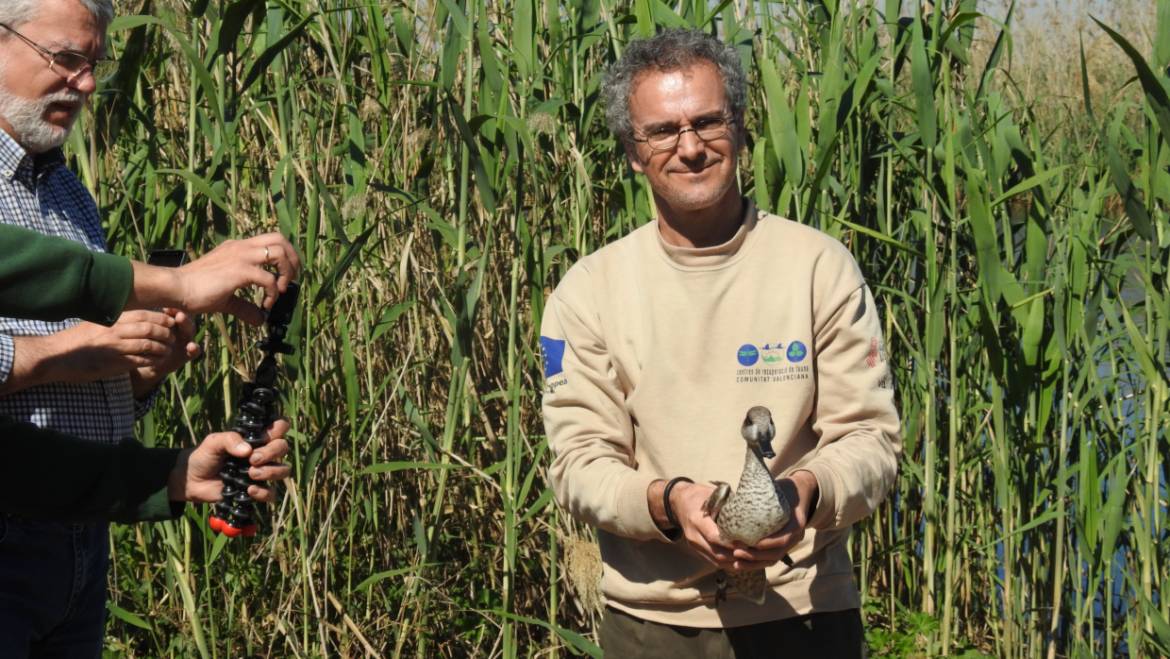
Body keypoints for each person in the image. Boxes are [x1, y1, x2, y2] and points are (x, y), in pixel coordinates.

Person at [540, 29, 901, 657]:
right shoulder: (588, 292)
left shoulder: (819, 266)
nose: (690, 148)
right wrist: (670, 504)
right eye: (662, 131)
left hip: (807, 616)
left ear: (740, 130)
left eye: (708, 122)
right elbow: (578, 466)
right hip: (654, 628)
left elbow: (873, 443)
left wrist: (805, 495)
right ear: (632, 151)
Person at [0, 0, 295, 654]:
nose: (83, 84)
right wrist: (61, 352)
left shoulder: (69, 194)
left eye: (94, 65)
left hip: (78, 542)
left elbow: (81, 394)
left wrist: (140, 383)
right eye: (66, 59)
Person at [0, 222, 298, 520]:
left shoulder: (67, 191)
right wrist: (178, 282)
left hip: (83, 527)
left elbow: (13, 459)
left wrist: (172, 474)